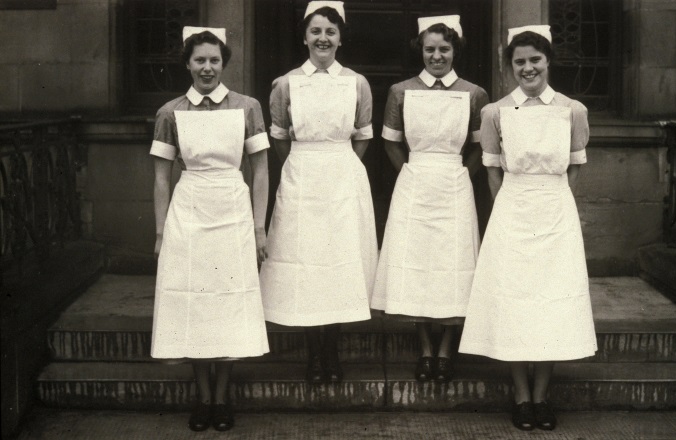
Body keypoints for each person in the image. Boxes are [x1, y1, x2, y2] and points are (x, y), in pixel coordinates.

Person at [458, 25, 597, 431]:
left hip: (556, 213)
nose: (528, 68)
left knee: (549, 301)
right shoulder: (494, 113)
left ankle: (542, 396)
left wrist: (557, 205)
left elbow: (573, 168)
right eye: (519, 61)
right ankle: (521, 396)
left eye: (535, 59)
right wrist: (511, 206)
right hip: (512, 212)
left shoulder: (573, 110)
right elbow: (492, 173)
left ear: (548, 60)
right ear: (509, 66)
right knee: (516, 301)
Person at [150, 26, 270, 432]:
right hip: (189, 215)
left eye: (214, 60)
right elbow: (162, 179)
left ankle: (223, 396)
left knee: (228, 303)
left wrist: (258, 229)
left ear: (224, 63)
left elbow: (261, 172)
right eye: (199, 60)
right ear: (187, 63)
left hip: (232, 213)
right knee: (196, 305)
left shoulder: (247, 107)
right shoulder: (170, 113)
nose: (207, 68)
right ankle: (203, 397)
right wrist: (161, 233)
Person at [259, 1, 377, 384]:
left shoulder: (356, 83)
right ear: (304, 36)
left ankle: (333, 350)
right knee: (307, 263)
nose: (322, 38)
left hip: (343, 177)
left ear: (340, 38)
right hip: (302, 179)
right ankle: (314, 353)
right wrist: (303, 162)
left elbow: (361, 135)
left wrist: (338, 159)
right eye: (315, 31)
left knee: (339, 262)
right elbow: (278, 137)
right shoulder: (285, 84)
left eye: (330, 31)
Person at [371, 15, 488, 383]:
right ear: (420, 51)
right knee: (418, 264)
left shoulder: (474, 93)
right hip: (415, 183)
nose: (437, 57)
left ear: (455, 50)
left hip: (455, 184)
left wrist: (462, 174)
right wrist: (408, 170)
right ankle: (424, 346)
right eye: (430, 49)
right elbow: (389, 139)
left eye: (444, 49)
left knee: (452, 265)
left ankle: (445, 348)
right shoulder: (400, 91)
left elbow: (480, 145)